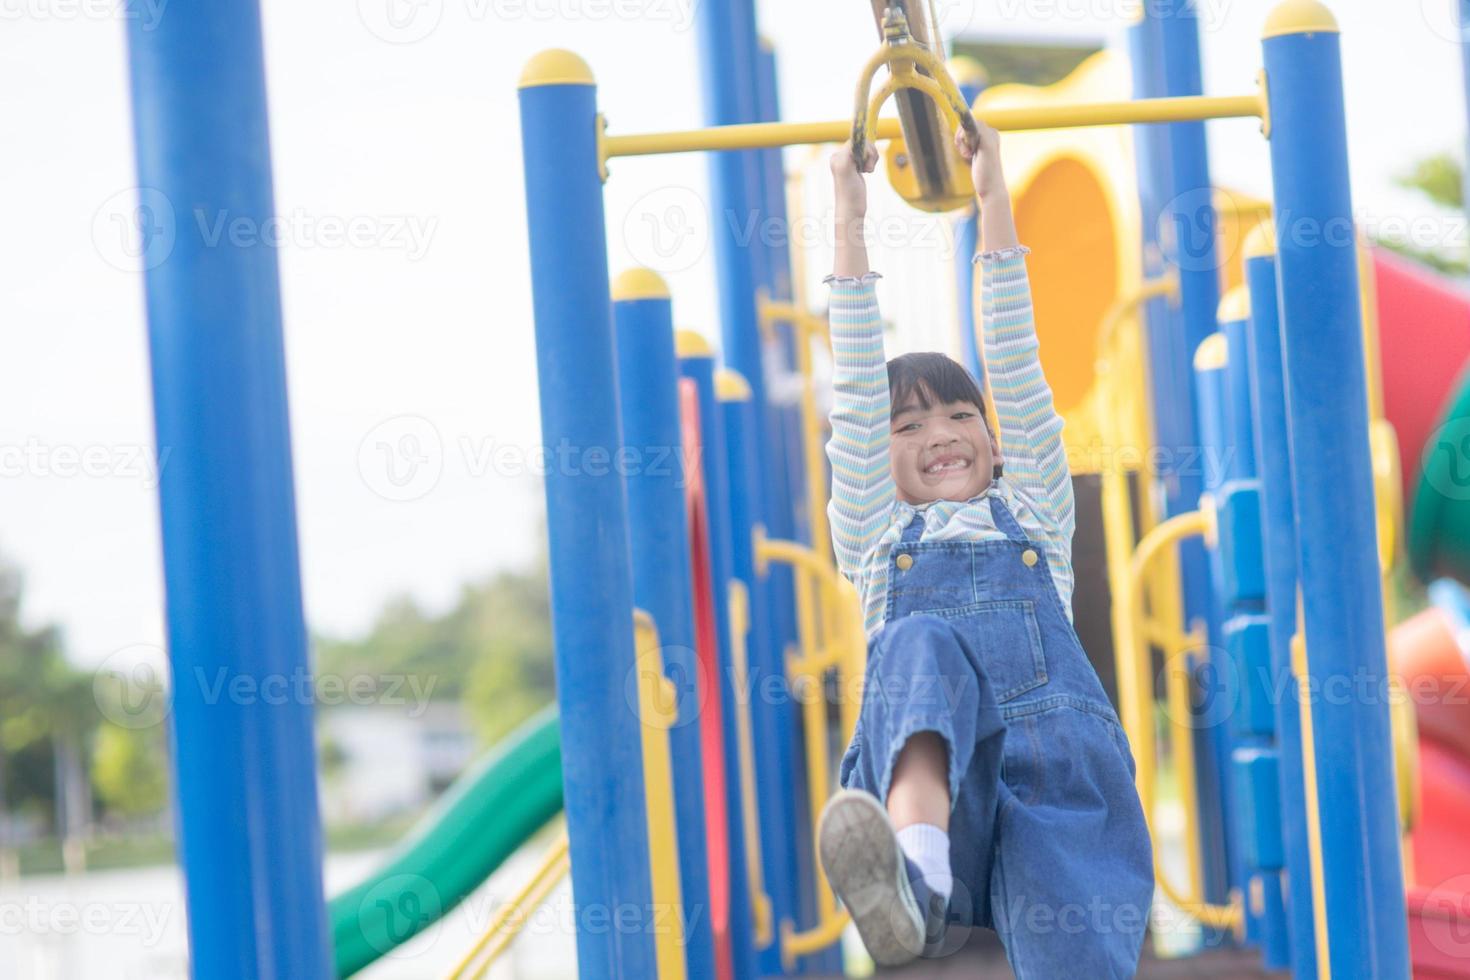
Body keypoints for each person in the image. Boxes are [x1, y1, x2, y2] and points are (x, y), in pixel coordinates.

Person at [816, 117, 1154, 976]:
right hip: (941, 784)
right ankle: (914, 884)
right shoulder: (875, 532)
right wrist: (848, 221)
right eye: (913, 421)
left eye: (962, 414)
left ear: (995, 442)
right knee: (918, 643)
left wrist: (995, 197)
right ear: (877, 458)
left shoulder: (1034, 512)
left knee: (1076, 951)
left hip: (1059, 781)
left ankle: (940, 894)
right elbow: (857, 389)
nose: (944, 432)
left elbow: (1014, 359)